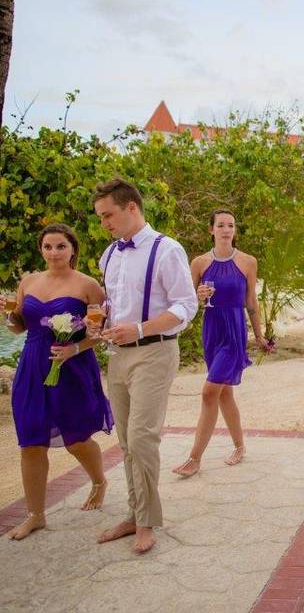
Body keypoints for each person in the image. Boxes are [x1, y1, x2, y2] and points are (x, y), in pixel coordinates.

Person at [89, 178, 198, 553]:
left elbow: (186, 306)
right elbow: (112, 304)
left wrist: (139, 328)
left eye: (108, 215)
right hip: (117, 356)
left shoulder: (167, 250)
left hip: (155, 351)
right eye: (101, 217)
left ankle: (147, 521)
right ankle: (136, 514)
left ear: (131, 207)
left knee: (141, 438)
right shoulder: (110, 254)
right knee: (125, 441)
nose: (105, 223)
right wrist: (100, 320)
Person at [5, 224, 114, 540]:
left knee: (76, 438)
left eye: (60, 246)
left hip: (73, 367)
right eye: (48, 246)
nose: (53, 252)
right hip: (33, 366)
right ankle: (35, 515)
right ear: (41, 249)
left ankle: (98, 480)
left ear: (72, 249)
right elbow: (18, 328)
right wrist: (10, 313)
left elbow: (98, 334)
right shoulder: (28, 282)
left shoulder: (89, 286)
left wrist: (73, 348)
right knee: (30, 440)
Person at [172, 209, 268, 478]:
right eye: (221, 225)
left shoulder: (248, 261)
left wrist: (258, 335)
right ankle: (239, 446)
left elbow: (251, 302)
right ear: (211, 230)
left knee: (209, 392)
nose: (226, 230)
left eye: (231, 225)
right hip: (211, 329)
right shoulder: (199, 263)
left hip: (234, 329)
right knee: (224, 393)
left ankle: (194, 459)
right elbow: (187, 301)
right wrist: (198, 294)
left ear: (235, 230)